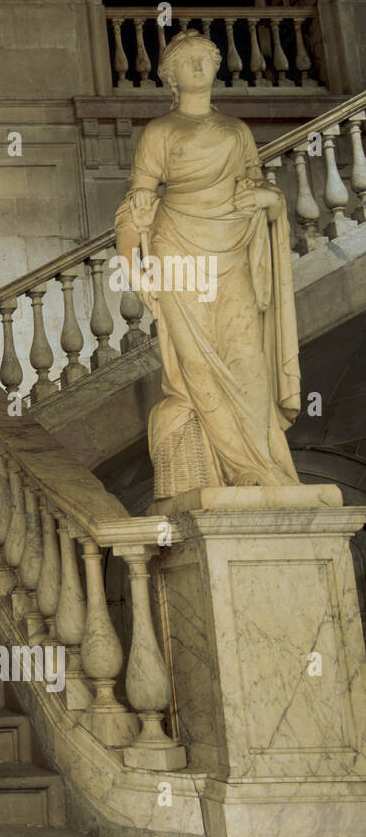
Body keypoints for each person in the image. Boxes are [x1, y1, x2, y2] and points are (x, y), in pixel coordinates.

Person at [114, 29, 301, 498]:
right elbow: (136, 207)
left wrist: (267, 200)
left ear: (218, 68)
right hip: (177, 249)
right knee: (196, 368)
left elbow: (263, 196)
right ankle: (241, 469)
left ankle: (265, 459)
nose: (199, 66)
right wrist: (136, 273)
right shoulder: (160, 132)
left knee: (247, 361)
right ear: (171, 76)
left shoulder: (237, 132)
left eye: (206, 58)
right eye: (188, 60)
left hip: (233, 248)